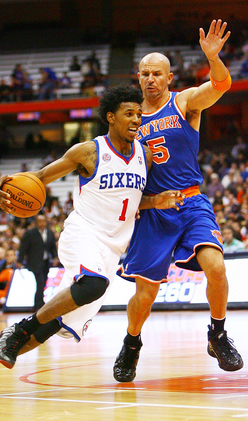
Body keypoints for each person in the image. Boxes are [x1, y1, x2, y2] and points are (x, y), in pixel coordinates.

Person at [0, 84, 184, 398]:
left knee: (47, 328)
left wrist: (155, 202)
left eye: (139, 114)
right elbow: (38, 179)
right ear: (111, 117)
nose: (136, 119)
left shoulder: (144, 154)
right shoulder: (88, 151)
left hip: (113, 248)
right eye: (130, 113)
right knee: (93, 284)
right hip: (83, 232)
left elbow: (128, 200)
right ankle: (17, 329)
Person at [113, 20, 243, 384]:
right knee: (146, 294)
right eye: (145, 73)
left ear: (169, 78)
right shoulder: (128, 119)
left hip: (191, 203)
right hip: (154, 212)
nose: (150, 79)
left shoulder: (184, 102)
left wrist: (214, 59)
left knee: (216, 266)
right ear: (138, 78)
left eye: (157, 73)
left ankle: (217, 334)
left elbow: (220, 85)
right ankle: (132, 343)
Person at [17, 214, 58, 310]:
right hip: (34, 262)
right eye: (40, 221)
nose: (42, 223)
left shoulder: (50, 233)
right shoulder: (30, 233)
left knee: (43, 283)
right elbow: (23, 248)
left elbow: (52, 247)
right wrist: (20, 260)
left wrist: (55, 257)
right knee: (40, 282)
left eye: (44, 221)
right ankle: (38, 306)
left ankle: (39, 303)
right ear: (36, 223)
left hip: (46, 262)